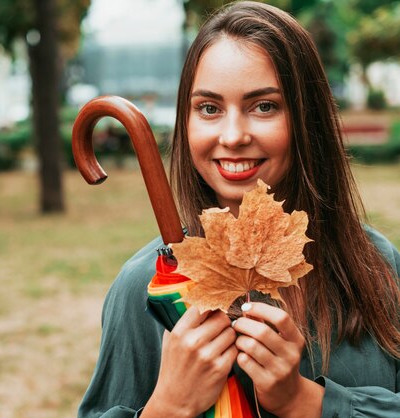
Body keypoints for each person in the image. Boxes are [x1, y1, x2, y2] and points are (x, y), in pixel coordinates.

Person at [77, 2, 400, 418]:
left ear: (307, 118)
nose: (232, 136)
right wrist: (168, 408)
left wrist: (304, 402)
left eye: (263, 106)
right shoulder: (145, 288)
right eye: (209, 108)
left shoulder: (376, 265)